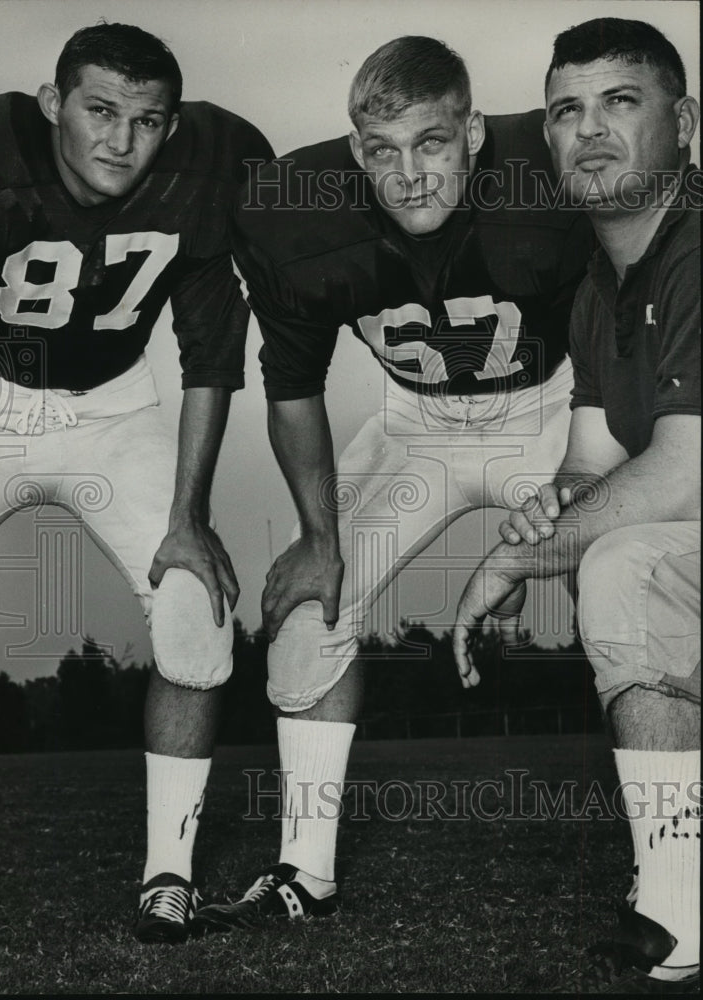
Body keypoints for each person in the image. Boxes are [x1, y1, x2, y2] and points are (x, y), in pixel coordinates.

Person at [192, 34, 594, 931]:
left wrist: (590, 476)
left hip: (555, 414)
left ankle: (673, 871)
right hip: (417, 427)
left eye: (431, 144)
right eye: (381, 151)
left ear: (476, 132)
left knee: (638, 588)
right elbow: (291, 388)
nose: (408, 175)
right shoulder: (299, 210)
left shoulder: (552, 171)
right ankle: (306, 873)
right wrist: (319, 540)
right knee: (307, 607)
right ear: (353, 148)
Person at [0, 22, 272, 943]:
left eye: (148, 120)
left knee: (197, 611)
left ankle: (168, 875)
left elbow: (214, 354)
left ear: (173, 127)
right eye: (99, 111)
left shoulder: (212, 167)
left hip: (116, 410)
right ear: (53, 104)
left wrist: (189, 516)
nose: (120, 141)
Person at [452, 17, 700, 993]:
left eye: (620, 102)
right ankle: (678, 905)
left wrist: (518, 560)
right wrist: (537, 522)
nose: (590, 129)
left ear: (683, 121)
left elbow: (682, 473)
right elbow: (592, 465)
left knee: (619, 563)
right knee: (611, 559)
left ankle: (680, 900)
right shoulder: (601, 286)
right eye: (567, 110)